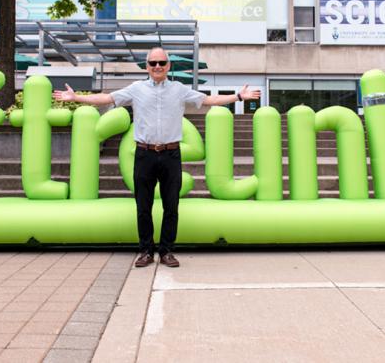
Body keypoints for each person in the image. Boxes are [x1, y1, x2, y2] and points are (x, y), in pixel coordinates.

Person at [53, 47, 260, 268]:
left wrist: (238, 96)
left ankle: (167, 251)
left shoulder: (179, 90)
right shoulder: (136, 89)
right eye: (153, 63)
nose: (158, 67)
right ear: (147, 66)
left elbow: (208, 100)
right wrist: (76, 97)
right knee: (143, 206)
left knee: (171, 206)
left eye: (162, 63)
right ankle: (145, 251)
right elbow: (107, 98)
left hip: (171, 154)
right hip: (144, 154)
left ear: (168, 66)